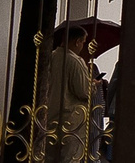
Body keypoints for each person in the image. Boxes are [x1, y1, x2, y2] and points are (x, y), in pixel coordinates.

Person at [28, 24, 95, 163]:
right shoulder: (75, 61)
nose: (83, 45)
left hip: (50, 115)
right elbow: (83, 91)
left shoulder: (51, 56)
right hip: (71, 119)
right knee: (69, 157)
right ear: (77, 41)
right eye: (83, 42)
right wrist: (93, 85)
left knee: (50, 156)